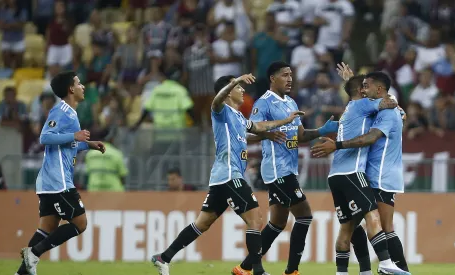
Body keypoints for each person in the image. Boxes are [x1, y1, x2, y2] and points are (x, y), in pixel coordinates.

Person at [151, 73, 303, 275]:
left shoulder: (239, 117)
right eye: (239, 88)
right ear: (229, 91)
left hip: (222, 178)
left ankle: (164, 257)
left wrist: (285, 120)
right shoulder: (220, 111)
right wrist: (236, 80)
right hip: (230, 175)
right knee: (255, 219)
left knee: (202, 223)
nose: (243, 91)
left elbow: (258, 127)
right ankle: (257, 271)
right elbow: (216, 100)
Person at [232, 61, 340, 275]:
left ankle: (243, 269)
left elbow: (299, 136)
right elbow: (247, 136)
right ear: (272, 78)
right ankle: (292, 271)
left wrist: (321, 131)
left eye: (291, 75)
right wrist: (267, 133)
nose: (290, 79)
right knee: (305, 216)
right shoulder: (263, 104)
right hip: (276, 170)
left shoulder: (290, 102)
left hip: (288, 170)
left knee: (277, 223)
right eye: (284, 75)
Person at [311, 68, 410, 275]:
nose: (364, 90)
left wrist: (356, 86)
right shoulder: (367, 108)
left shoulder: (385, 111)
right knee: (355, 223)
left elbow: (371, 135)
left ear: (379, 89)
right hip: (366, 174)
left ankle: (397, 268)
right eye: (362, 87)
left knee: (382, 225)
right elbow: (371, 101)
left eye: (367, 86)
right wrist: (354, 84)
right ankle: (366, 270)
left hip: (380, 176)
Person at [17, 71, 106, 275]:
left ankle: (21, 273)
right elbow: (45, 137)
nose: (83, 86)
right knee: (80, 223)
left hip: (49, 182)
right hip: (59, 181)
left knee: (46, 227)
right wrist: (75, 134)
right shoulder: (61, 111)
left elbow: (67, 145)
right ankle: (34, 253)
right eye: (79, 83)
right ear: (70, 89)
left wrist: (88, 144)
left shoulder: (71, 113)